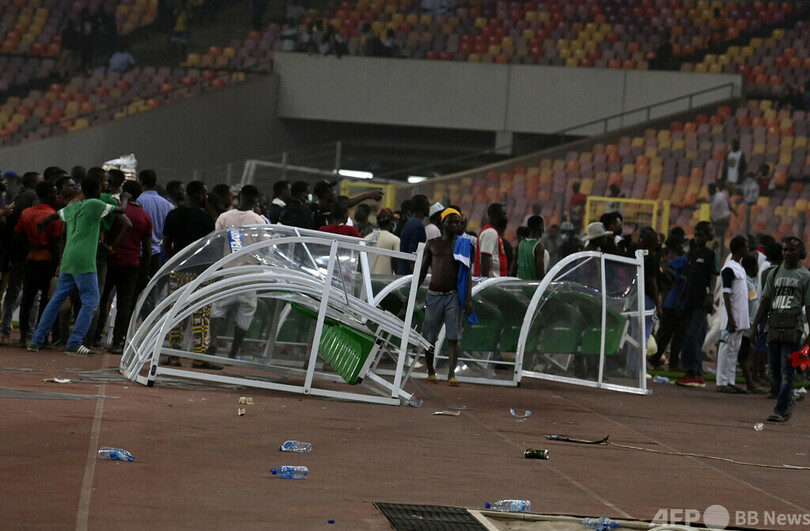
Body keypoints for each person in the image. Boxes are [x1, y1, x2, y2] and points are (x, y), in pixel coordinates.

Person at [28, 177, 129, 355]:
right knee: (91, 300)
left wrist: (43, 223)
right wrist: (126, 196)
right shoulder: (95, 204)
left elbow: (56, 215)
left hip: (68, 257)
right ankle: (74, 342)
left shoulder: (74, 206)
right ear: (97, 190)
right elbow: (120, 210)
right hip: (84, 260)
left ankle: (36, 340)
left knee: (57, 299)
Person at [161, 181, 219, 369]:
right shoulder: (207, 219)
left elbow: (166, 242)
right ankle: (198, 357)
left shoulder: (174, 215)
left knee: (176, 314)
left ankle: (174, 355)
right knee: (201, 315)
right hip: (201, 273)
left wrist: (175, 262)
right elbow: (211, 248)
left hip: (178, 272)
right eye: (205, 194)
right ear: (200, 195)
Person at [752, 237, 810, 422]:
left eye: (791, 250)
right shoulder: (774, 273)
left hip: (793, 326)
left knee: (787, 369)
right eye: (785, 250)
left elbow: (808, 307)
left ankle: (780, 408)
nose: (786, 253)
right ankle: (788, 397)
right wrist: (755, 325)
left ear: (800, 252)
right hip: (774, 325)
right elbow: (765, 300)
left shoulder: (805, 276)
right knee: (773, 370)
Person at [207, 184, 267, 360]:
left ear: (239, 196)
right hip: (249, 275)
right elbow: (265, 249)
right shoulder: (259, 221)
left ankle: (214, 343)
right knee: (246, 312)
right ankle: (233, 352)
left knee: (217, 307)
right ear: (255, 200)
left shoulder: (224, 217)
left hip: (227, 272)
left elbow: (216, 242)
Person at [417, 208, 473, 386]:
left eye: (457, 222)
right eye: (451, 222)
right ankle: (431, 371)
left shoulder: (463, 244)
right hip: (434, 295)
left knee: (453, 336)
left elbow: (467, 273)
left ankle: (451, 374)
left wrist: (468, 298)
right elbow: (422, 271)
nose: (455, 225)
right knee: (429, 336)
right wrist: (411, 294)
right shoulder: (432, 244)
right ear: (442, 223)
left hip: (453, 296)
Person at [97, 180, 152, 354]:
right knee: (125, 304)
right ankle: (117, 342)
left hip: (110, 261)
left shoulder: (116, 211)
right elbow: (148, 249)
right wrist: (145, 272)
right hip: (132, 264)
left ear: (124, 194)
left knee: (101, 299)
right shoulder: (145, 216)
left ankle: (93, 337)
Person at [14, 182, 61, 347]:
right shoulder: (52, 215)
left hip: (31, 259)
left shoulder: (26, 213)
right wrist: (58, 263)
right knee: (45, 302)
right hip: (47, 260)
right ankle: (41, 337)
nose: (57, 196)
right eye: (55, 193)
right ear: (48, 194)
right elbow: (55, 243)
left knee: (27, 299)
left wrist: (30, 246)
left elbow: (18, 236)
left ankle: (23, 337)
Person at [0, 171, 43, 345]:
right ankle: (28, 335)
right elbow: (33, 222)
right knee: (33, 295)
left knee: (12, 292)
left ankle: (5, 333)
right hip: (30, 252)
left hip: (14, 252)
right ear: (34, 183)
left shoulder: (14, 197)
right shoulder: (33, 197)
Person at [675, 222, 718, 388]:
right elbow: (688, 279)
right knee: (696, 336)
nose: (698, 238)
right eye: (696, 235)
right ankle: (698, 373)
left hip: (702, 301)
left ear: (708, 237)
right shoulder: (692, 254)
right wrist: (680, 299)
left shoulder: (710, 254)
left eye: (701, 235)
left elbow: (714, 275)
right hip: (690, 300)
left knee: (692, 336)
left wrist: (711, 294)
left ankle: (692, 371)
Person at [715, 236, 750, 393]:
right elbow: (726, 294)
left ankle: (730, 381)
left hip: (740, 316)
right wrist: (730, 317)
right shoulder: (729, 269)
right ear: (739, 249)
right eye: (746, 246)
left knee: (734, 350)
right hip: (732, 316)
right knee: (725, 349)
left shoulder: (739, 267)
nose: (748, 249)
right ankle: (721, 382)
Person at [648, 233, 687, 370]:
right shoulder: (681, 260)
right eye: (682, 244)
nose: (684, 247)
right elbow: (666, 269)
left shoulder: (667, 259)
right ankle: (659, 359)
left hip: (670, 300)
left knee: (667, 333)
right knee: (669, 334)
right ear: (677, 246)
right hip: (674, 301)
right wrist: (674, 280)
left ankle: (659, 359)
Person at [309, 180, 383, 230]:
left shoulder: (332, 207)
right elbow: (344, 204)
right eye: (331, 190)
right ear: (325, 194)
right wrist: (367, 195)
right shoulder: (314, 208)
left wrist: (368, 196)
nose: (334, 192)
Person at [397, 194, 430, 274]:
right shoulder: (418, 226)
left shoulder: (409, 223)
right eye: (428, 205)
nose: (429, 208)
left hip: (402, 269)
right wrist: (416, 277)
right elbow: (414, 254)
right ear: (422, 207)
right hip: (409, 273)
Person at [474, 203, 508, 277]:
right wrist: (486, 281)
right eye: (504, 214)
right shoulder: (490, 233)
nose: (506, 217)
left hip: (495, 281)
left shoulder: (493, 232)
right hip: (491, 283)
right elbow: (485, 258)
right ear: (495, 216)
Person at [366, 208, 399, 275]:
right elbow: (396, 265)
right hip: (386, 282)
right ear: (391, 222)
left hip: (367, 281)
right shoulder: (395, 240)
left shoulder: (367, 238)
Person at [516, 215, 547, 281]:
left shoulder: (521, 243)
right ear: (539, 227)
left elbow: (515, 267)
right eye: (542, 226)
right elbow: (540, 273)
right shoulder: (538, 247)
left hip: (520, 285)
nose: (543, 230)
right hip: (532, 287)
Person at [708, 182, 735, 258]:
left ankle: (721, 254)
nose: (708, 191)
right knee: (720, 237)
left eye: (709, 189)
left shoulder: (718, 198)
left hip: (721, 220)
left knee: (719, 237)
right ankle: (721, 253)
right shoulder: (719, 195)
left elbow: (714, 211)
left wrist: (712, 221)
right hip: (723, 219)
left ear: (713, 189)